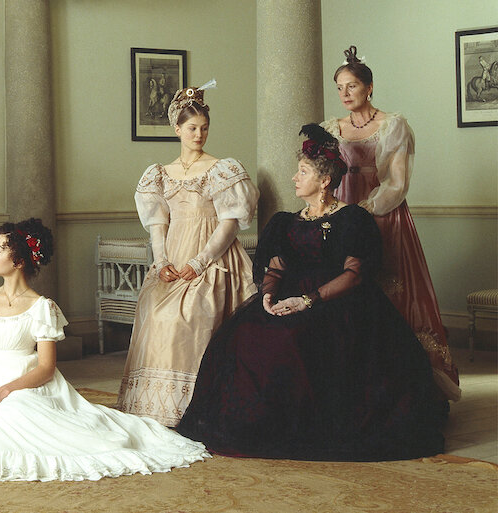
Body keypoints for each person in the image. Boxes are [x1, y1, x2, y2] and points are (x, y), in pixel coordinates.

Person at [174, 124, 446, 461]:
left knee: (293, 340)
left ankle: (299, 428)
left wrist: (307, 301)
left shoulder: (352, 218)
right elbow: (276, 267)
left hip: (336, 301)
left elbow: (353, 275)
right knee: (246, 334)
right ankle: (257, 425)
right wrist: (268, 296)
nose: (294, 178)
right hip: (288, 296)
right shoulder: (286, 221)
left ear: (325, 180)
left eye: (302, 172)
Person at [0, 218, 209, 482]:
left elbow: (45, 367)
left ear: (18, 261)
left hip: (25, 384)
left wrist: (2, 393)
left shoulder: (42, 307)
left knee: (44, 425)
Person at [320, 45, 459, 401]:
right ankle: (354, 382)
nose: (344, 94)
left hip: (383, 214)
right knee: (345, 289)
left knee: (389, 290)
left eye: (351, 86)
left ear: (369, 87)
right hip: (341, 214)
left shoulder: (393, 125)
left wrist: (362, 212)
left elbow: (396, 183)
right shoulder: (330, 129)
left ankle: (402, 383)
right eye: (339, 87)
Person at [117, 82, 259, 426]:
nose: (199, 135)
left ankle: (194, 407)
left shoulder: (221, 169)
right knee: (155, 315)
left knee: (188, 318)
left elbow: (229, 224)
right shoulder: (159, 174)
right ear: (177, 129)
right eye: (192, 128)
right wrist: (162, 261)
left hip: (212, 254)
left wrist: (200, 261)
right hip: (175, 253)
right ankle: (154, 408)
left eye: (204, 128)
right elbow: (158, 225)